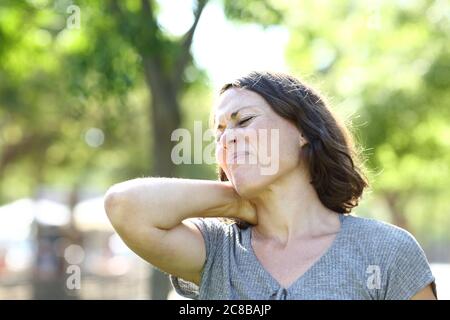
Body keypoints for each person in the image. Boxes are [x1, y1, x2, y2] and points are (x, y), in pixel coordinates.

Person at [104, 71, 437, 300]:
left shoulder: (386, 250)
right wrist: (234, 202)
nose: (227, 138)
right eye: (218, 132)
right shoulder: (219, 251)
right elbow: (124, 206)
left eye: (244, 121)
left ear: (304, 131)